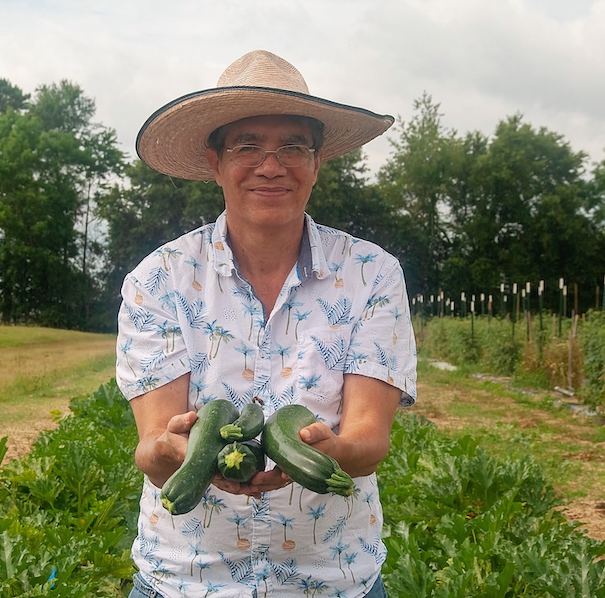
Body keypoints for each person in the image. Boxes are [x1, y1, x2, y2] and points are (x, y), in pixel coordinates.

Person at [116, 50, 417, 598]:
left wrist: (329, 453)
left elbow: (370, 438)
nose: (271, 165)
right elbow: (151, 453)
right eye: (247, 145)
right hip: (186, 582)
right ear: (215, 161)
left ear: (318, 159)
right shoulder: (159, 279)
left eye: (293, 147)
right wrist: (179, 453)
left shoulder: (372, 274)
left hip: (333, 582)